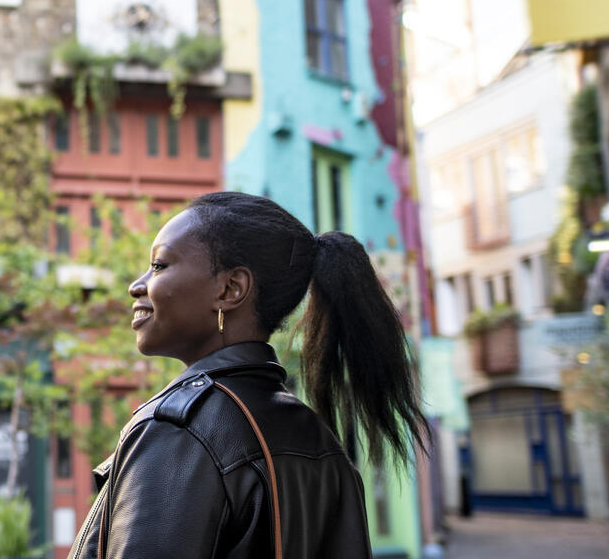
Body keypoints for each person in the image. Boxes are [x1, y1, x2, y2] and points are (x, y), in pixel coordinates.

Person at [68, 192, 427, 559]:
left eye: (159, 265)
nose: (137, 285)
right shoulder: (322, 442)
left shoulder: (178, 430)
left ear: (230, 289)